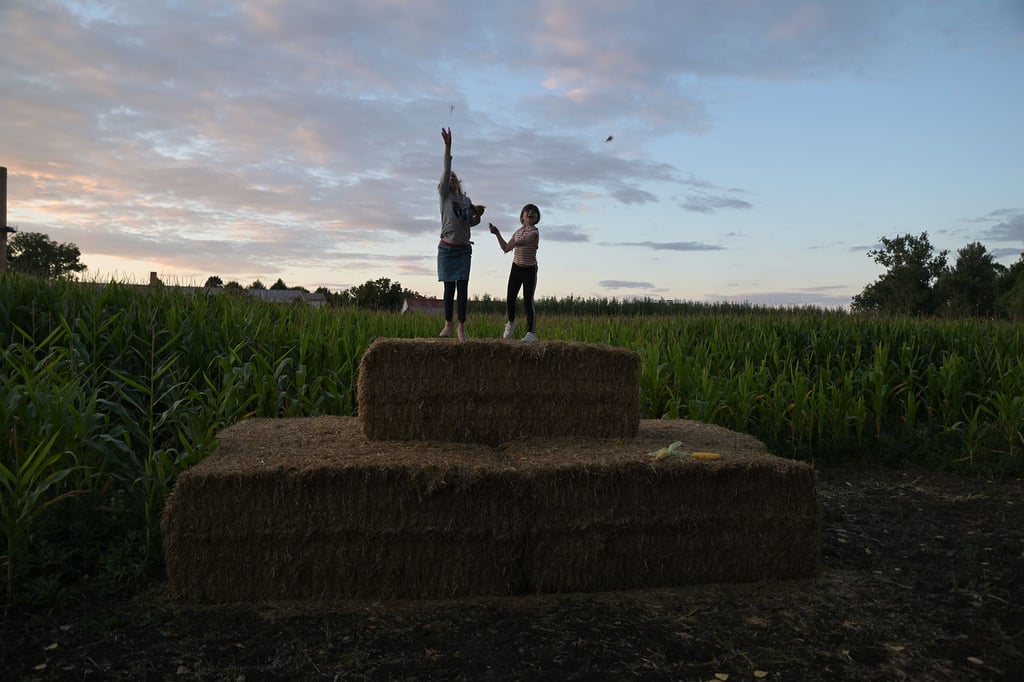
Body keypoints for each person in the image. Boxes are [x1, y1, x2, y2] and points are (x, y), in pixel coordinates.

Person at [436, 127, 484, 340]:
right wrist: (448, 147)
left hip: (464, 250)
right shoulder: (445, 196)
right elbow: (446, 168)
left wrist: (478, 216)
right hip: (447, 249)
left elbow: (469, 223)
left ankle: (461, 327)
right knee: (449, 290)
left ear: (459, 182)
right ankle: (447, 325)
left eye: (455, 178)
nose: (452, 179)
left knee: (462, 290)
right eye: (450, 178)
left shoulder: (465, 201)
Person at [489, 203, 541, 342]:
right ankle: (511, 322)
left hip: (529, 269)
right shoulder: (517, 232)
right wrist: (497, 234)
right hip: (516, 268)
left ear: (536, 219)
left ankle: (531, 333)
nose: (530, 212)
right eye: (527, 211)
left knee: (527, 300)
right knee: (510, 298)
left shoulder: (534, 232)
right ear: (522, 217)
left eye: (533, 212)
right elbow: (506, 248)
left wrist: (515, 244)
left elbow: (526, 241)